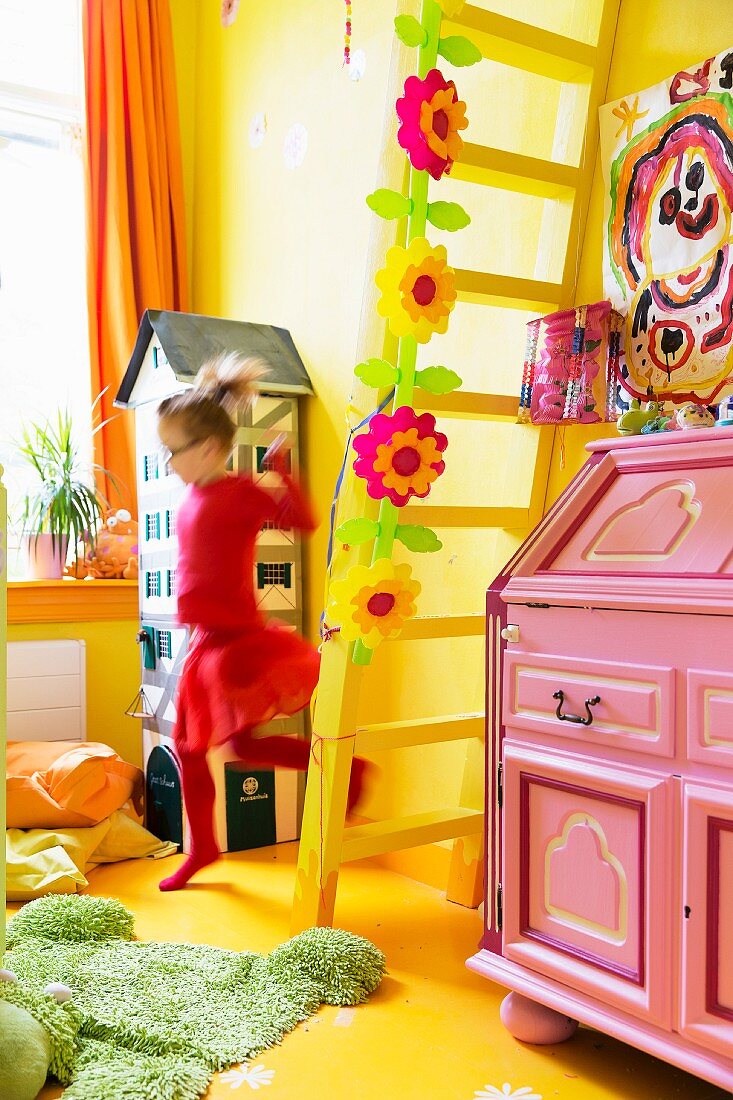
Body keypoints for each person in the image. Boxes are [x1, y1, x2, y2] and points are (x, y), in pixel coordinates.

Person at [156, 351, 369, 891]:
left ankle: (350, 772)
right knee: (203, 748)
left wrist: (283, 475)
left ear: (206, 448)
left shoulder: (238, 493)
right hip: (205, 642)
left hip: (238, 643)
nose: (168, 463)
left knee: (223, 747)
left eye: (172, 451)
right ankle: (203, 848)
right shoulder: (191, 496)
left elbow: (303, 521)